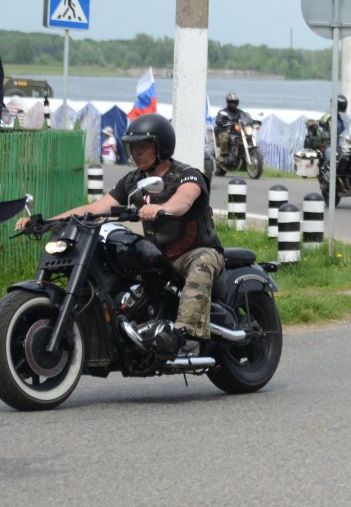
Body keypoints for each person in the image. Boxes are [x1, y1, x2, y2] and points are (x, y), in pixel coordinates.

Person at [16, 113, 222, 356]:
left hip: (193, 252)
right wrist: (47, 222)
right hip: (160, 254)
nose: (136, 152)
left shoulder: (187, 175)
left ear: (162, 147)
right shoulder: (133, 180)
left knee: (202, 263)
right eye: (133, 146)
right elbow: (95, 208)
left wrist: (161, 209)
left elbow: (183, 200)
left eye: (143, 146)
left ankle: (185, 338)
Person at [214, 92, 252, 157]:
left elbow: (245, 118)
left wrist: (251, 121)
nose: (233, 104)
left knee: (248, 136)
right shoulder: (222, 112)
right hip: (226, 131)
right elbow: (218, 120)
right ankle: (223, 155)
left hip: (237, 132)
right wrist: (223, 122)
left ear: (237, 103)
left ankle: (249, 151)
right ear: (228, 102)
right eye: (231, 102)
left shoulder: (240, 112)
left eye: (235, 102)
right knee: (224, 136)